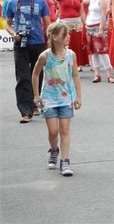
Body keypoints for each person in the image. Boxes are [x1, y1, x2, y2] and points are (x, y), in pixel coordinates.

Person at [32, 22, 82, 176]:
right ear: (54, 37)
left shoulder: (71, 55)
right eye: (65, 35)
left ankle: (65, 161)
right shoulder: (45, 56)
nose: (68, 37)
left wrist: (78, 95)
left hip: (66, 98)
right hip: (49, 99)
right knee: (53, 131)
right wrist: (36, 96)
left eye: (68, 34)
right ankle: (54, 150)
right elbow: (35, 74)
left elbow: (75, 75)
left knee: (64, 129)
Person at [5, 0, 51, 123]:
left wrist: (51, 39)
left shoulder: (40, 2)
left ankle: (35, 102)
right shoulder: (12, 3)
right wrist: (14, 34)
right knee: (22, 76)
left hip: (38, 42)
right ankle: (26, 111)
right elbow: (7, 24)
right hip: (20, 44)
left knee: (37, 74)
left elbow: (48, 23)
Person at [50, 0, 89, 70]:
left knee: (77, 45)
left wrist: (86, 24)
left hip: (76, 23)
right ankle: (64, 64)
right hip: (64, 23)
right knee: (65, 44)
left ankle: (76, 64)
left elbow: (82, 12)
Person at [85, 0, 114, 83]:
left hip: (98, 25)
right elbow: (89, 12)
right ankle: (97, 74)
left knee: (102, 50)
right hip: (89, 26)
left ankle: (109, 74)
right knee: (93, 51)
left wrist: (101, 29)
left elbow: (103, 14)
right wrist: (86, 23)